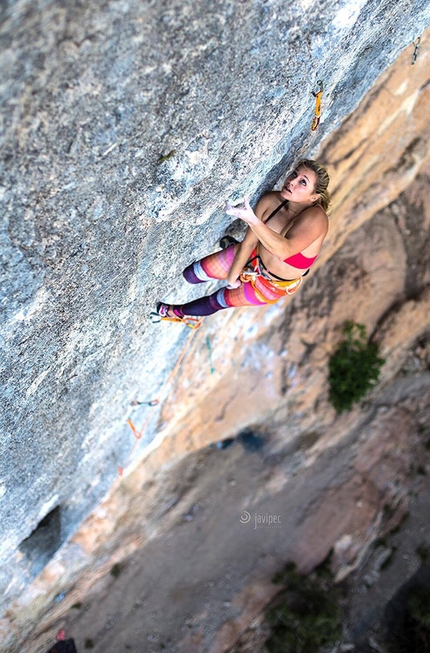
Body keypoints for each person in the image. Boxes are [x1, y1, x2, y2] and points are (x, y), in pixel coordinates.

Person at [156, 159, 330, 320]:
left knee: (216, 301)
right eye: (294, 174)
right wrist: (232, 276)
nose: (292, 181)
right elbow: (250, 243)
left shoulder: (316, 219)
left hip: (272, 285)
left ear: (313, 197)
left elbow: (284, 250)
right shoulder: (271, 201)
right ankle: (232, 249)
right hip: (253, 256)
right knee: (191, 275)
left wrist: (252, 220)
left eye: (303, 182)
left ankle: (176, 313)